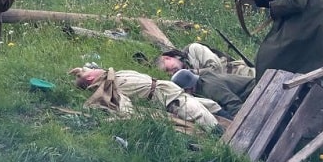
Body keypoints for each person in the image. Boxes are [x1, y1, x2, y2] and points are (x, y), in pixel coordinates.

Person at [68, 66, 225, 129]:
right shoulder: (111, 85)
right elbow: (126, 107)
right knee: (202, 116)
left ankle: (233, 120)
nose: (94, 68)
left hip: (169, 89)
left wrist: (80, 71)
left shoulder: (111, 74)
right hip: (167, 98)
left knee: (213, 106)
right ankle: (231, 146)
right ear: (90, 79)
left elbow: (87, 71)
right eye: (90, 71)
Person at [171, 69, 255, 117]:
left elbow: (233, 103)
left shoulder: (210, 88)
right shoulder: (202, 81)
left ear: (188, 88)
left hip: (254, 90)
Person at [155, 42, 254, 78]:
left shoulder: (194, 49)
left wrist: (193, 73)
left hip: (242, 74)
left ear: (167, 58)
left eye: (168, 69)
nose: (171, 73)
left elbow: (218, 68)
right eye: (169, 74)